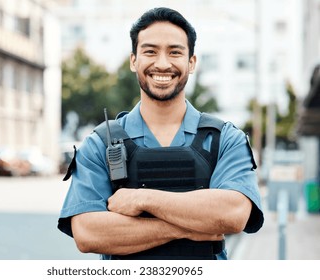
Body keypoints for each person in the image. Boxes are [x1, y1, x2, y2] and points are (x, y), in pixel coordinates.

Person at [58, 7, 264, 260]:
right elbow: (88, 233)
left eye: (175, 52)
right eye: (150, 51)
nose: (163, 64)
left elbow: (233, 215)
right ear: (134, 61)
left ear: (192, 62)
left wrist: (142, 199)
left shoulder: (225, 139)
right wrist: (191, 226)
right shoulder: (101, 143)